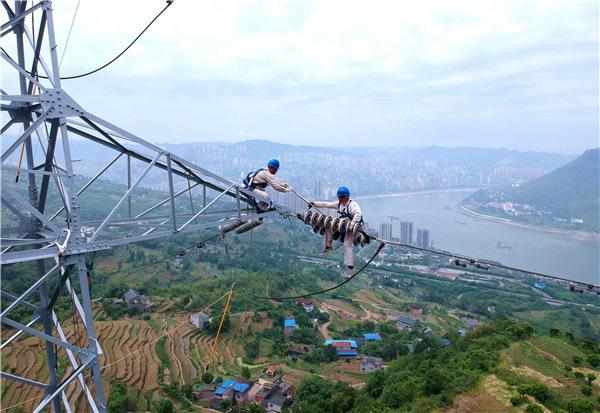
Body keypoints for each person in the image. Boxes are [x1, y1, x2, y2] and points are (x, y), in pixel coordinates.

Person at [309, 186, 363, 277]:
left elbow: (358, 214)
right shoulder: (339, 204)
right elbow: (327, 204)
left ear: (344, 197)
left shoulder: (352, 205)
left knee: (346, 244)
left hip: (354, 228)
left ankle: (351, 269)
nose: (338, 198)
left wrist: (352, 225)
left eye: (339, 197)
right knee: (328, 226)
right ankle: (328, 246)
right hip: (344, 226)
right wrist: (314, 203)